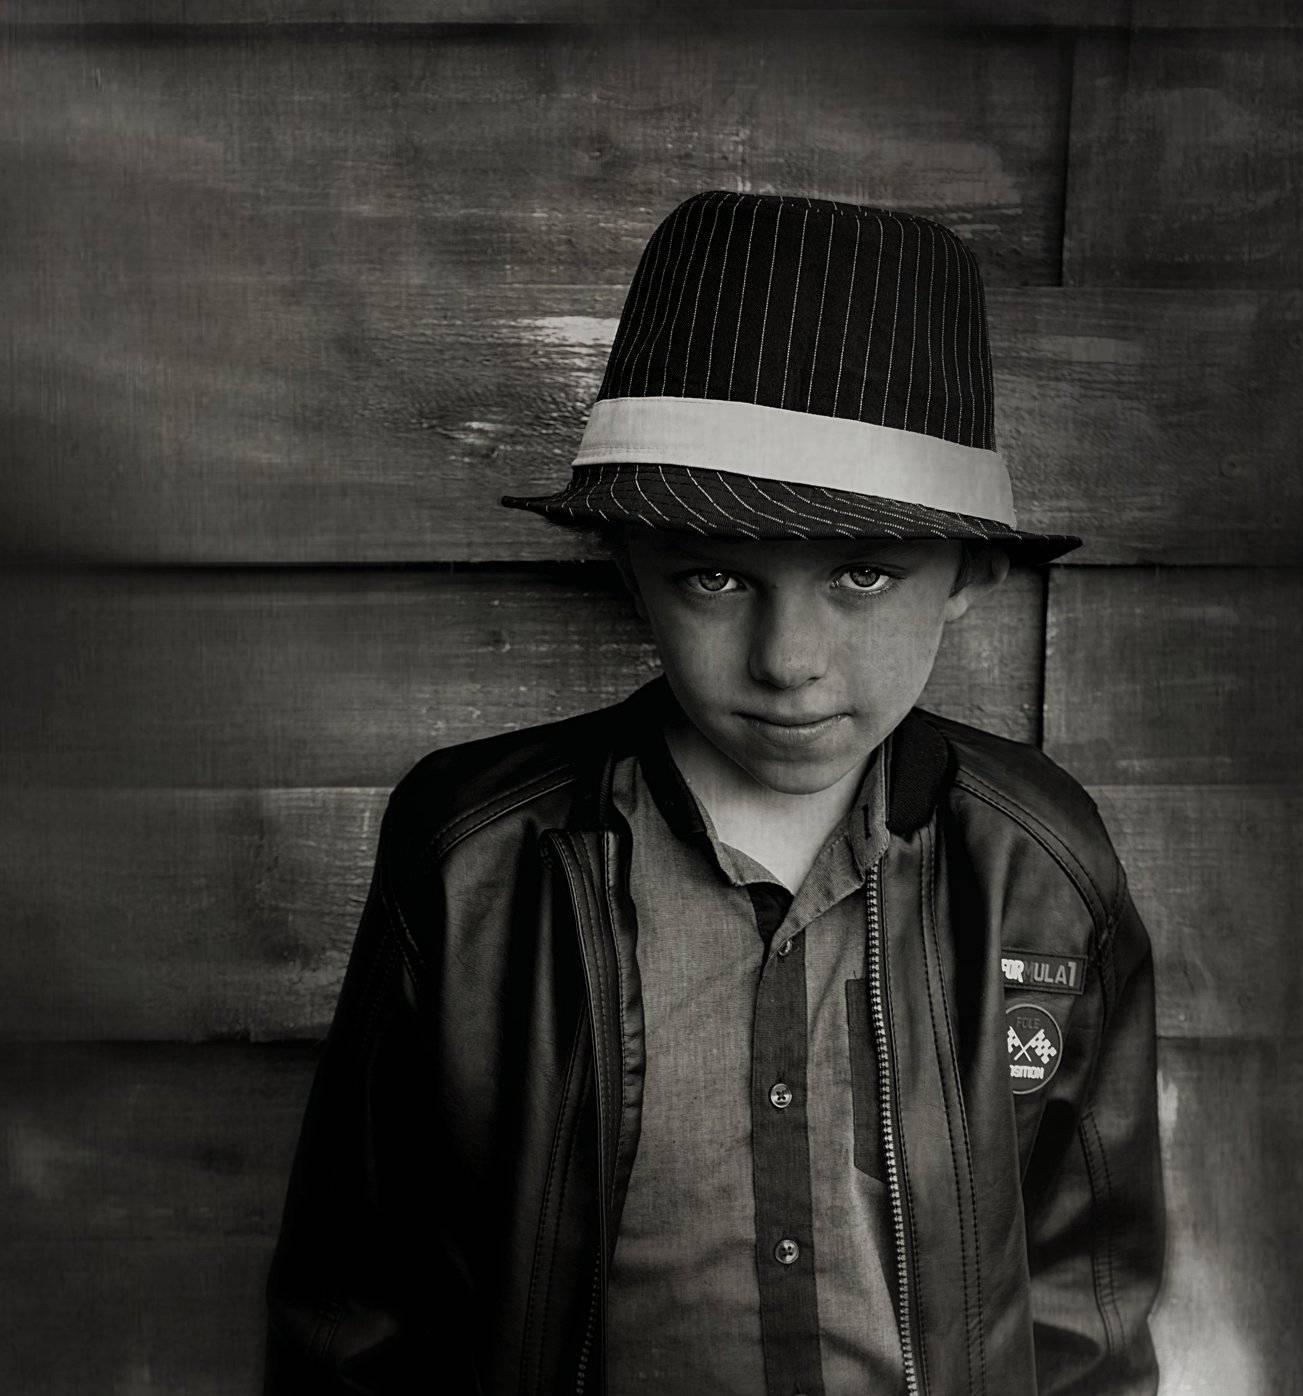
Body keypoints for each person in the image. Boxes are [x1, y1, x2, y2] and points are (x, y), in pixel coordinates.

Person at [263, 190, 1165, 1395]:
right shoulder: (474, 856)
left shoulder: (1042, 867)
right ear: (626, 564)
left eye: (862, 573)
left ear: (968, 573)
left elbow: (1087, 1301)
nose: (789, 661)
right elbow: (354, 1305)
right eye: (715, 578)